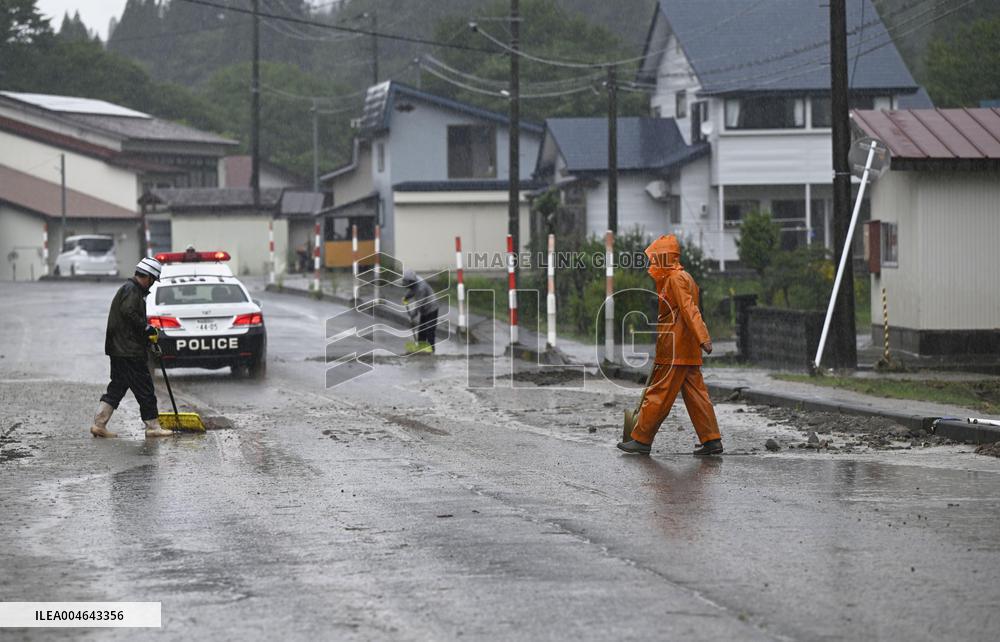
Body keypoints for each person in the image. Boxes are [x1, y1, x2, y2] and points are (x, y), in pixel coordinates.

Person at [618, 235, 723, 456]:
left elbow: (689, 309)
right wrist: (699, 339)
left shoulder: (675, 279)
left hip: (676, 350)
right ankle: (711, 439)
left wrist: (703, 338)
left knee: (659, 393)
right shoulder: (684, 277)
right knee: (697, 395)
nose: (653, 264)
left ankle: (641, 439)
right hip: (685, 349)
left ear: (665, 258)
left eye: (655, 259)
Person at [89, 257, 173, 438]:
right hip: (129, 351)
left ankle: (99, 424)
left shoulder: (129, 290)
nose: (151, 285)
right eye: (153, 280)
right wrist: (146, 327)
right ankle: (153, 426)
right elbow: (129, 313)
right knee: (145, 388)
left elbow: (129, 317)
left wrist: (147, 334)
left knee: (117, 387)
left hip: (119, 349)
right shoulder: (132, 290)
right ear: (149, 277)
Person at [401, 270, 439, 353]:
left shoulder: (421, 287)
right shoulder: (414, 281)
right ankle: (421, 348)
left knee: (430, 330)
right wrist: (406, 297)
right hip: (424, 309)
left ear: (411, 281)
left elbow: (419, 304)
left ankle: (431, 350)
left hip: (431, 308)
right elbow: (412, 290)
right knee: (422, 330)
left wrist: (413, 314)